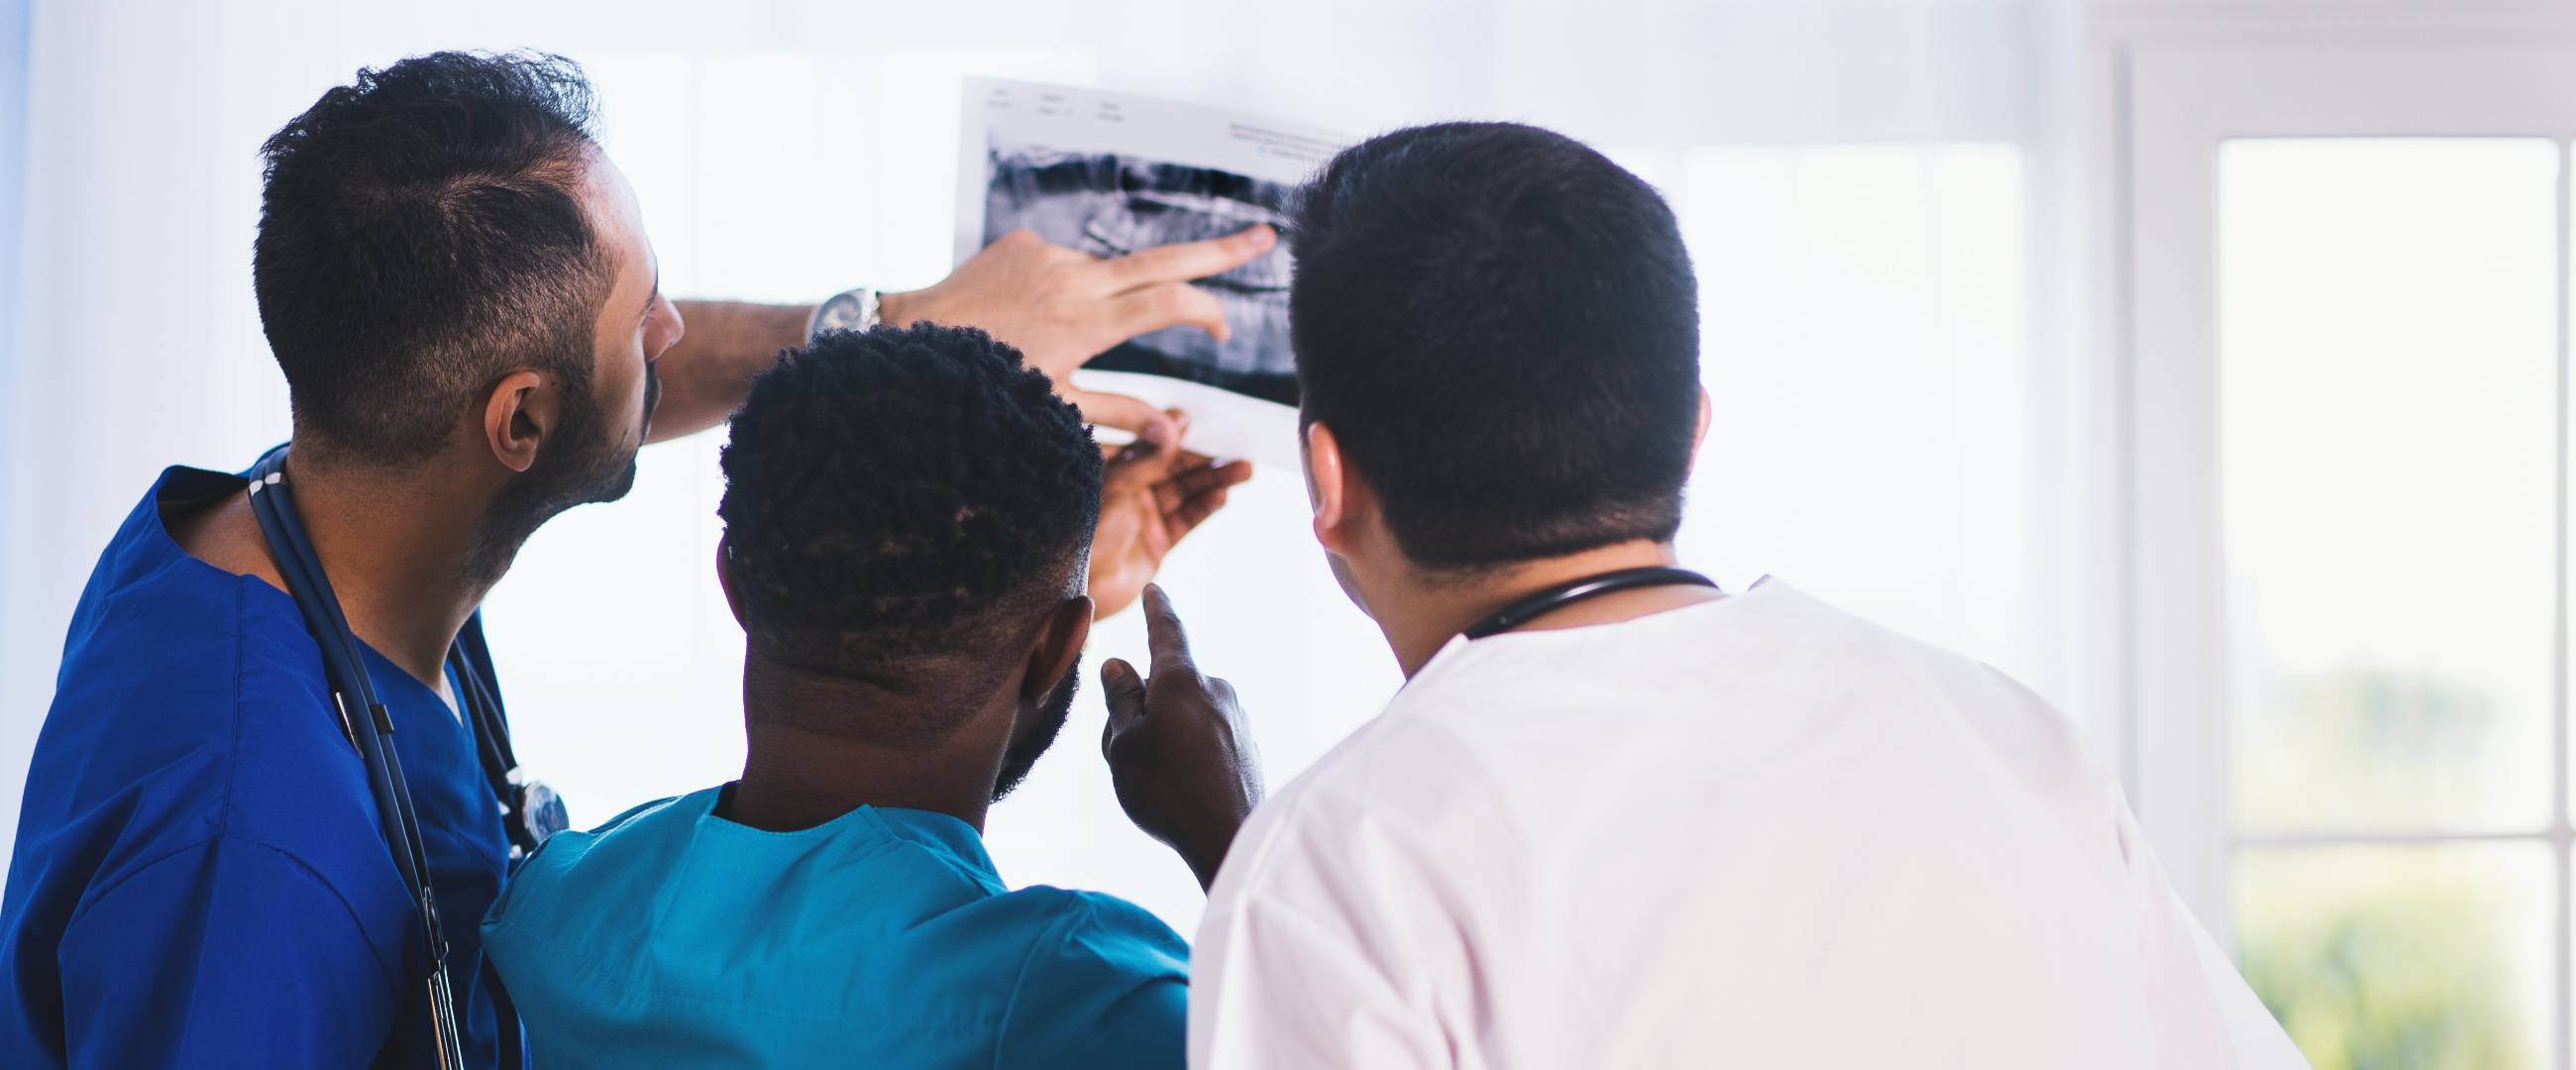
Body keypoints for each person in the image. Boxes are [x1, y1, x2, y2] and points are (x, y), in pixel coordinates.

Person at [0, 52, 1259, 1067]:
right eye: (644, 306)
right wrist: (1235, 842)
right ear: (521, 424)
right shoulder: (252, 859)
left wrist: (912, 364)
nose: (673, 328)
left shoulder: (318, 502)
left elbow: (591, 380)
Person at [1111, 123, 2313, 1068]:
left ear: (1323, 478)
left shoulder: (1332, 860)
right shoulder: (2018, 745)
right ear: (1689, 436)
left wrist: (1256, 856)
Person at [481, 324, 1261, 1068]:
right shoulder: (1079, 1000)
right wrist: (1239, 837)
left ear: (736, 584)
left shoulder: (556, 904)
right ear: (1060, 647)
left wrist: (1031, 620)